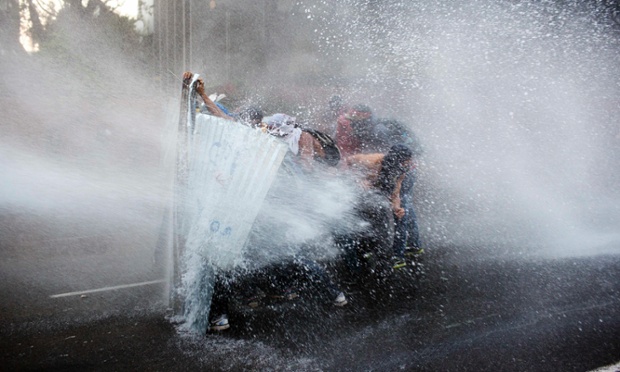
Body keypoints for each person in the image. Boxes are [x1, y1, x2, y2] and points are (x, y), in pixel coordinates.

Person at [342, 144, 414, 273]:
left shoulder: (400, 171)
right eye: (406, 160)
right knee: (357, 227)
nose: (409, 163)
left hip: (376, 200)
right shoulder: (372, 160)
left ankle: (377, 258)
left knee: (381, 230)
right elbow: (347, 160)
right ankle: (356, 263)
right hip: (354, 195)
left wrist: (397, 208)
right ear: (397, 159)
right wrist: (358, 179)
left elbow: (395, 194)